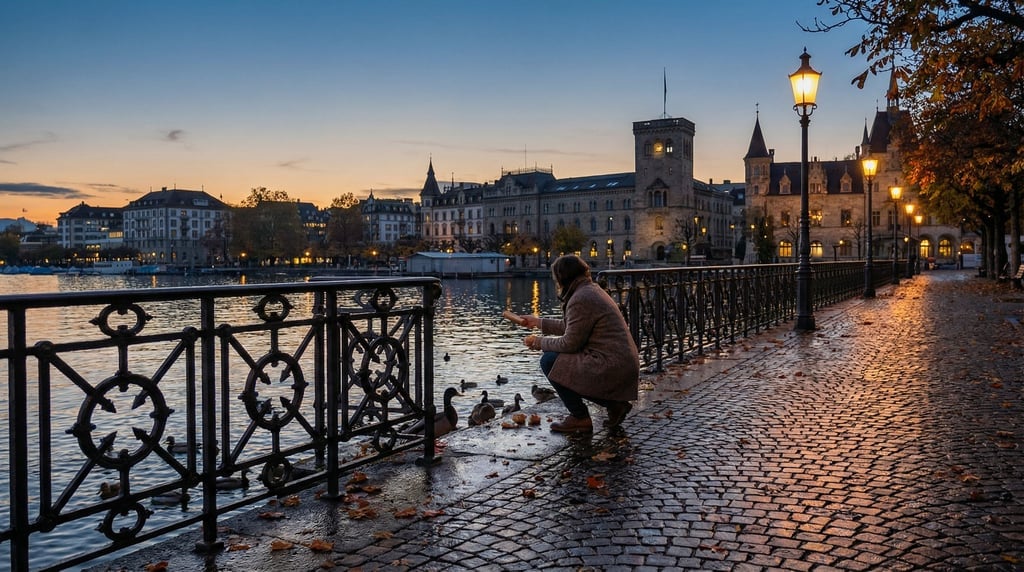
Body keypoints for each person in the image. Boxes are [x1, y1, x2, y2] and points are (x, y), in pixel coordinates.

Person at [518, 254, 639, 433]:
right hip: (620, 363)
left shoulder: (580, 298)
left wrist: (538, 342)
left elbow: (569, 344)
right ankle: (615, 405)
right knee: (560, 361)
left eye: (555, 278)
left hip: (611, 365)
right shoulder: (589, 289)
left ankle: (579, 416)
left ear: (562, 277)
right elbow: (573, 327)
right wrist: (538, 322)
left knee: (549, 361)